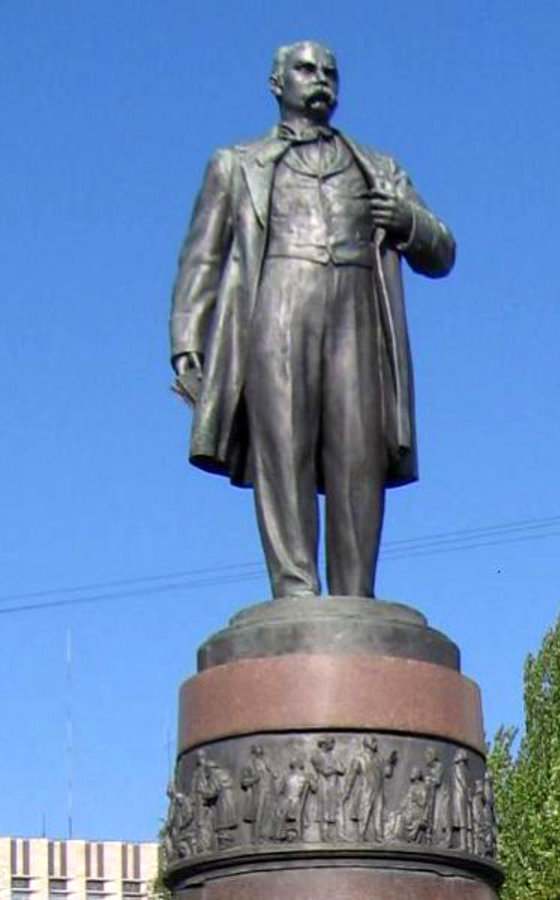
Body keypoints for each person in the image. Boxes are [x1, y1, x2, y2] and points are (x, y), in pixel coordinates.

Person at [170, 41, 455, 598]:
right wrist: (187, 345)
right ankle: (295, 590)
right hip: (276, 304)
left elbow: (442, 252)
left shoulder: (377, 167)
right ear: (278, 83)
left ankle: (355, 599)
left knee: (358, 454)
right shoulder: (235, 164)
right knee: (283, 447)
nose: (319, 79)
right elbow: (202, 258)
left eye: (330, 72)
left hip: (357, 310)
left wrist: (407, 221)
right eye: (305, 69)